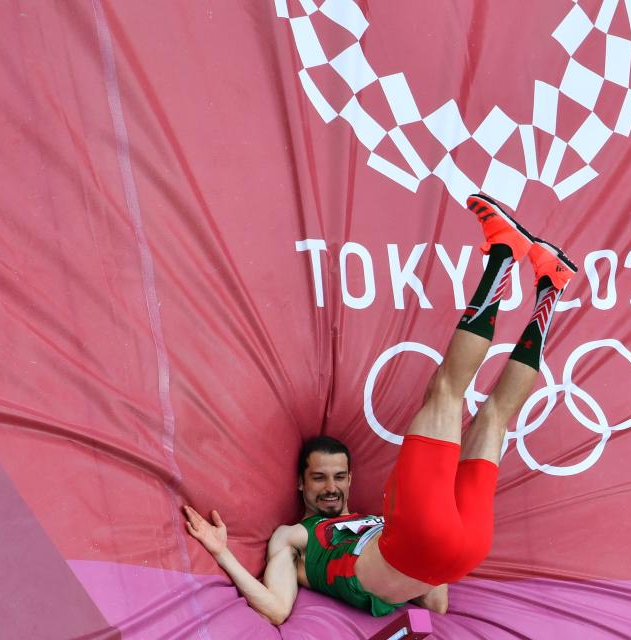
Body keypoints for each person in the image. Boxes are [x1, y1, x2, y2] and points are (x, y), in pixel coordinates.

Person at [183, 193, 577, 624]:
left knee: (494, 419)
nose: (330, 487)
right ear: (300, 484)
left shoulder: (368, 518)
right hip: (425, 544)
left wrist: (417, 568)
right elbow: (277, 608)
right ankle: (503, 253)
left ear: (351, 480)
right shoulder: (293, 536)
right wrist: (222, 553)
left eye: (337, 477)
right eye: (318, 479)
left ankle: (550, 285)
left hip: (458, 552)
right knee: (446, 392)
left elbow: (437, 603)